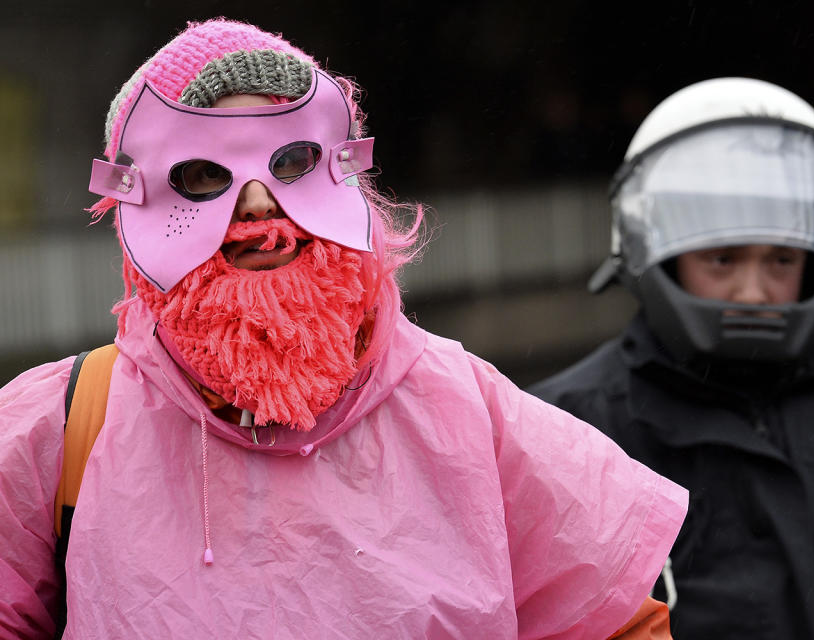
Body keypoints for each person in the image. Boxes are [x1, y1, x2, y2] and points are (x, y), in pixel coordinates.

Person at [0, 19, 687, 639]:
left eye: (292, 161)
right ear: (136, 196)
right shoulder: (59, 429)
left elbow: (613, 620)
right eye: (204, 174)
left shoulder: (472, 412)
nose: (259, 200)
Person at [529, 77, 814, 639]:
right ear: (652, 252)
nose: (752, 292)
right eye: (723, 258)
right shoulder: (568, 430)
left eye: (781, 260)